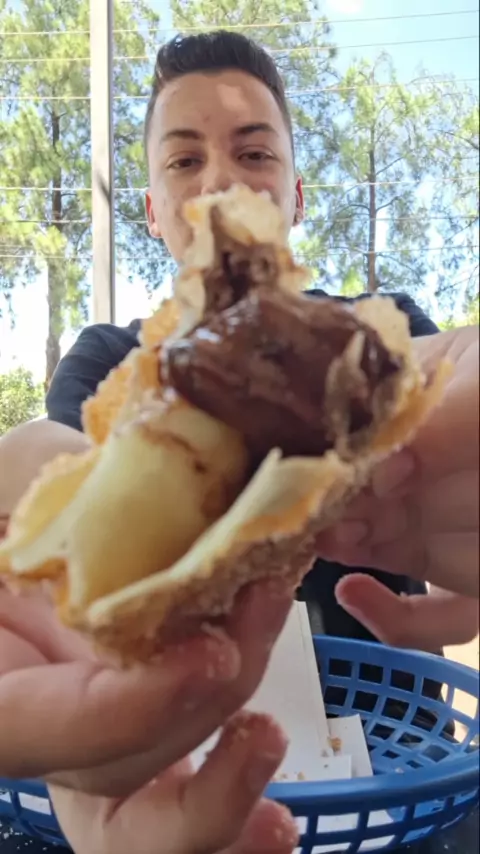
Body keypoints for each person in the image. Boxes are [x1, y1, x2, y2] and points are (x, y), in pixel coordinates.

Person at [0, 30, 478, 854]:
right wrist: (41, 499)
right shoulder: (113, 365)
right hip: (186, 765)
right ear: (153, 208)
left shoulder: (381, 341)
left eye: (254, 153)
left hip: (399, 770)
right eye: (184, 160)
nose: (221, 180)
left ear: (295, 193)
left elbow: (449, 416)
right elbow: (64, 468)